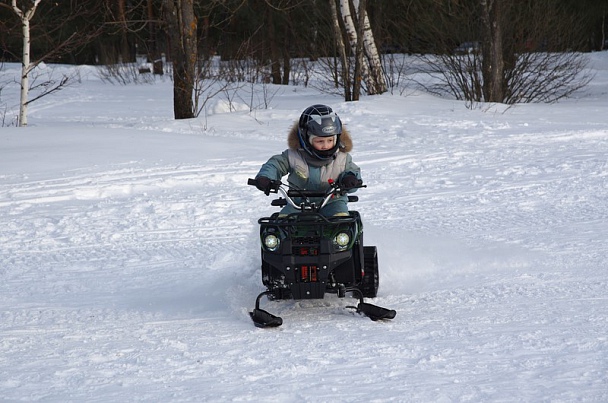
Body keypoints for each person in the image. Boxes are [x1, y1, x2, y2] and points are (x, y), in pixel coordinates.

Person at [255, 104, 362, 217]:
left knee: (342, 222)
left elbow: (353, 172)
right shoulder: (293, 156)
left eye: (330, 140)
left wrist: (350, 179)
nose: (326, 146)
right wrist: (266, 178)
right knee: (281, 226)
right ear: (306, 139)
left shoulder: (342, 158)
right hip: (297, 204)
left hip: (333, 203)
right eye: (320, 141)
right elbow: (275, 165)